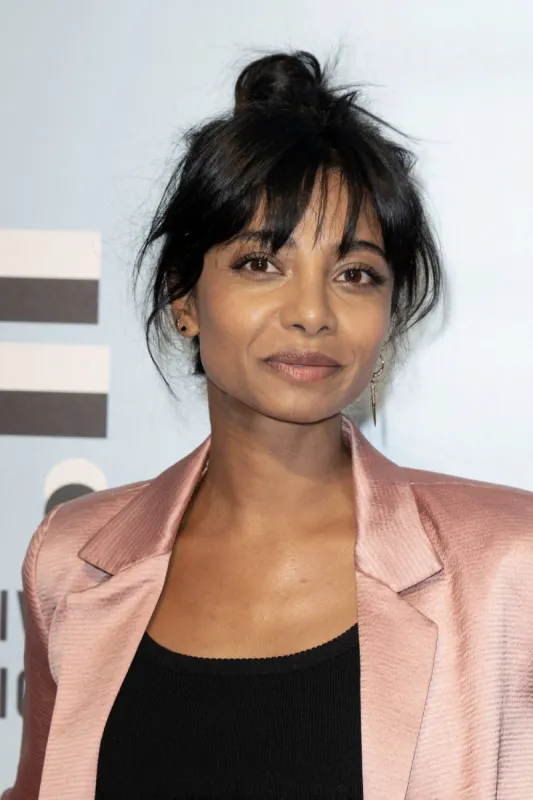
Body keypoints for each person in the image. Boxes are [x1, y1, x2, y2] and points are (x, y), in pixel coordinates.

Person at [3, 49, 532, 800]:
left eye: (356, 274)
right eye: (261, 263)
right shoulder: (73, 560)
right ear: (184, 298)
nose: (313, 313)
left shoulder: (510, 565)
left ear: (388, 316)